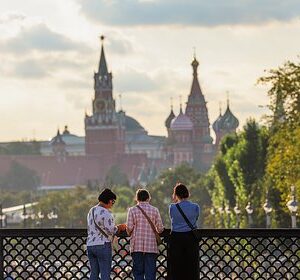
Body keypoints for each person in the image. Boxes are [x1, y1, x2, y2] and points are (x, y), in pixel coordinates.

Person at [86, 188, 126, 280]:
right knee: (105, 274)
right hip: (103, 245)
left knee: (94, 274)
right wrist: (120, 227)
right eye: (113, 201)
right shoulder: (106, 213)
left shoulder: (91, 211)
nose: (113, 203)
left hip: (90, 245)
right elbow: (111, 230)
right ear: (109, 200)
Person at [126, 189, 164, 280]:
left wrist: (128, 231)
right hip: (151, 246)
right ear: (148, 198)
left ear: (137, 198)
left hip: (136, 245)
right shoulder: (155, 210)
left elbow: (129, 227)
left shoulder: (132, 210)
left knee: (138, 272)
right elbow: (160, 228)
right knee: (150, 273)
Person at [168, 183, 200, 280]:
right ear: (187, 193)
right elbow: (196, 219)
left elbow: (172, 218)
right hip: (191, 238)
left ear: (176, 194)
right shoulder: (195, 207)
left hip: (176, 238)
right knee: (191, 265)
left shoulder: (172, 207)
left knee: (176, 265)